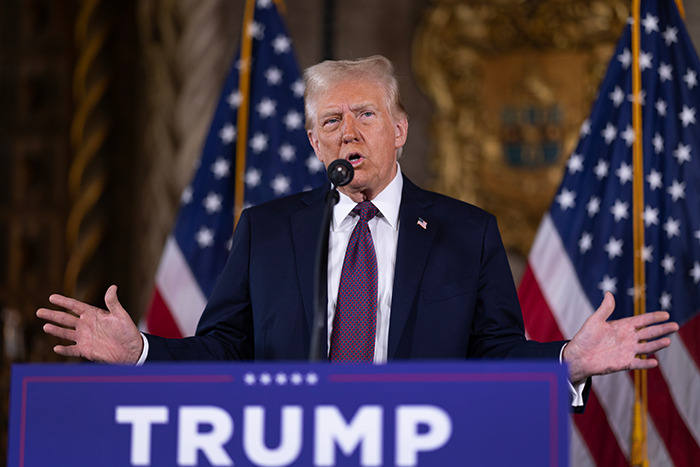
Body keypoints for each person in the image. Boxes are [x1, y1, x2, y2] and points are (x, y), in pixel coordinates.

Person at [37, 56, 678, 410]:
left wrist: (569, 361)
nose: (350, 132)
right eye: (332, 121)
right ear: (316, 143)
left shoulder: (466, 232)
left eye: (366, 114)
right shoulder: (267, 231)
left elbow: (495, 355)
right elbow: (224, 351)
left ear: (398, 129)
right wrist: (142, 353)